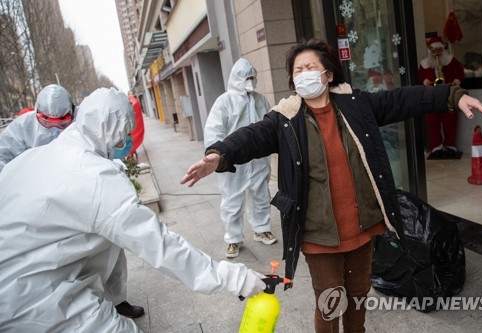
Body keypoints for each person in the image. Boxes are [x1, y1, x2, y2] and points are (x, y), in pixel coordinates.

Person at [180, 39, 482, 332]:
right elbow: (249, 138)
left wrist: (452, 96)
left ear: (328, 74)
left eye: (310, 67)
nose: (304, 74)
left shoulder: (355, 106)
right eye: (297, 71)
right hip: (319, 233)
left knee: (358, 294)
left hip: (361, 227)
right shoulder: (285, 119)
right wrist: (219, 155)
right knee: (330, 299)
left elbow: (403, 99)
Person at [0, 88, 266, 332]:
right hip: (37, 300)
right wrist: (234, 277)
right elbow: (159, 245)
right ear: (112, 129)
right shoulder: (95, 178)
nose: (128, 140)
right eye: (126, 132)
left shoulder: (32, 158)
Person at [204, 58, 277, 258]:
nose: (250, 81)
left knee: (261, 195)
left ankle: (261, 229)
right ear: (236, 78)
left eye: (252, 77)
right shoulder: (224, 101)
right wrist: (216, 154)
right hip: (233, 159)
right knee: (232, 201)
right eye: (246, 77)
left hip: (258, 159)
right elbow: (214, 129)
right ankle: (233, 238)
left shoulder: (261, 100)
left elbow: (270, 125)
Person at [0, 84, 74, 172]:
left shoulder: (80, 119)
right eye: (46, 122)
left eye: (62, 123)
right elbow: (3, 153)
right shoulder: (23, 125)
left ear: (72, 112)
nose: (54, 129)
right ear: (37, 112)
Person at [418, 36, 465, 159]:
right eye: (434, 51)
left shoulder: (451, 61)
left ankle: (450, 146)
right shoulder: (424, 65)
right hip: (431, 96)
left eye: (439, 50)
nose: (437, 53)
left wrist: (456, 81)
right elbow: (419, 78)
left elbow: (460, 73)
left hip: (448, 94)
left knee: (450, 121)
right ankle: (436, 147)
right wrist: (425, 82)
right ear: (430, 51)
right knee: (432, 122)